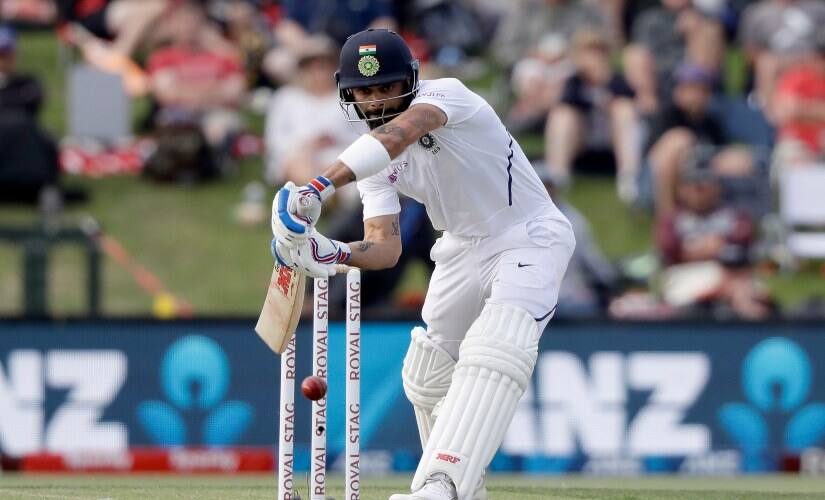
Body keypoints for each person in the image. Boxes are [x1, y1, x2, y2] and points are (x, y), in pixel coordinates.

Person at [270, 29, 575, 500]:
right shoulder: (369, 155)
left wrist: (316, 186)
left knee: (496, 348)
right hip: (461, 247)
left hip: (528, 236)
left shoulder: (445, 97)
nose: (375, 103)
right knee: (427, 373)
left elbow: (399, 136)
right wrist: (330, 253)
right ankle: (464, 491)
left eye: (386, 88)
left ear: (410, 81)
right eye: (365, 92)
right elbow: (385, 248)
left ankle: (442, 486)